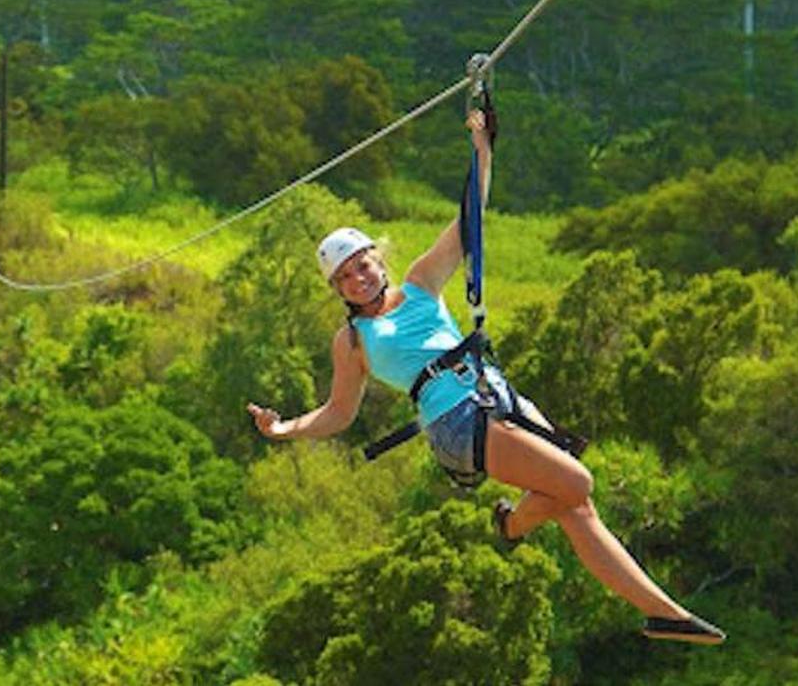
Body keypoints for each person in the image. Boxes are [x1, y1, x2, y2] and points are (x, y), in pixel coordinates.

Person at [246, 110, 725, 645]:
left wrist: (482, 145)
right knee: (576, 482)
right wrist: (284, 429)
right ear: (338, 290)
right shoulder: (353, 341)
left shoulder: (421, 284)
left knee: (574, 502)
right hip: (454, 421)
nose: (359, 278)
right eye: (346, 277)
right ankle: (515, 526)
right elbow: (339, 413)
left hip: (494, 392)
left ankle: (663, 614)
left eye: (362, 265)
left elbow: (468, 220)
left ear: (377, 260)